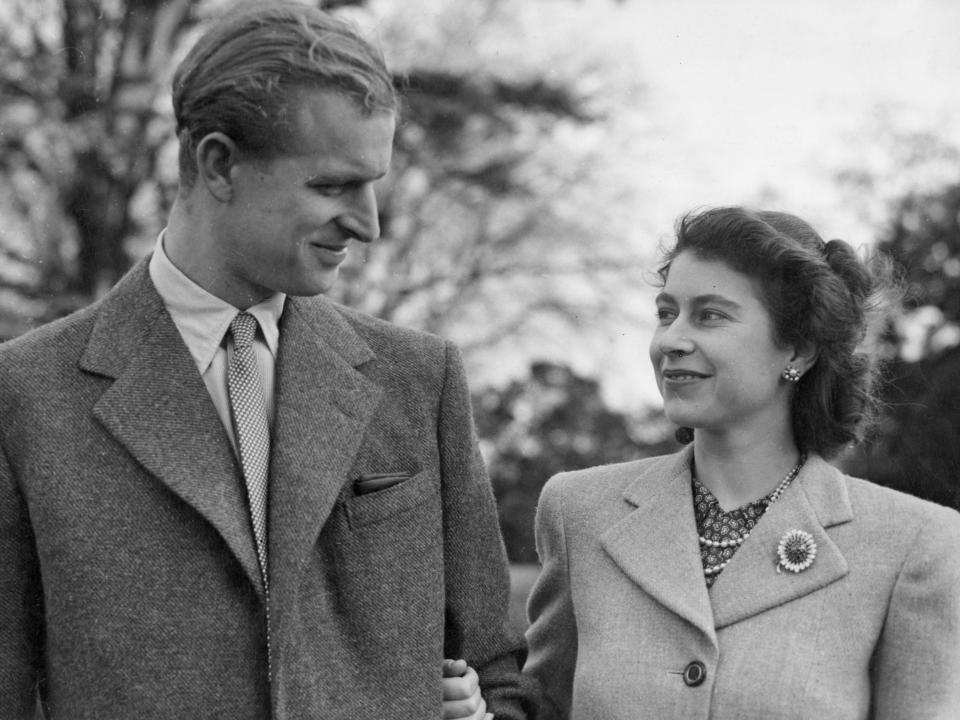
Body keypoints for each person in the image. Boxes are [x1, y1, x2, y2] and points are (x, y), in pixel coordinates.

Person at [0, 3, 534, 718]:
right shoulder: (26, 394)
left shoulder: (420, 379)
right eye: (333, 185)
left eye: (372, 183)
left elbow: (500, 678)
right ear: (218, 163)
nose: (370, 224)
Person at [522, 206, 960, 719]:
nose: (671, 340)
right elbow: (538, 708)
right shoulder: (578, 511)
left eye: (710, 315)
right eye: (667, 313)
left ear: (797, 349)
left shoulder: (915, 546)